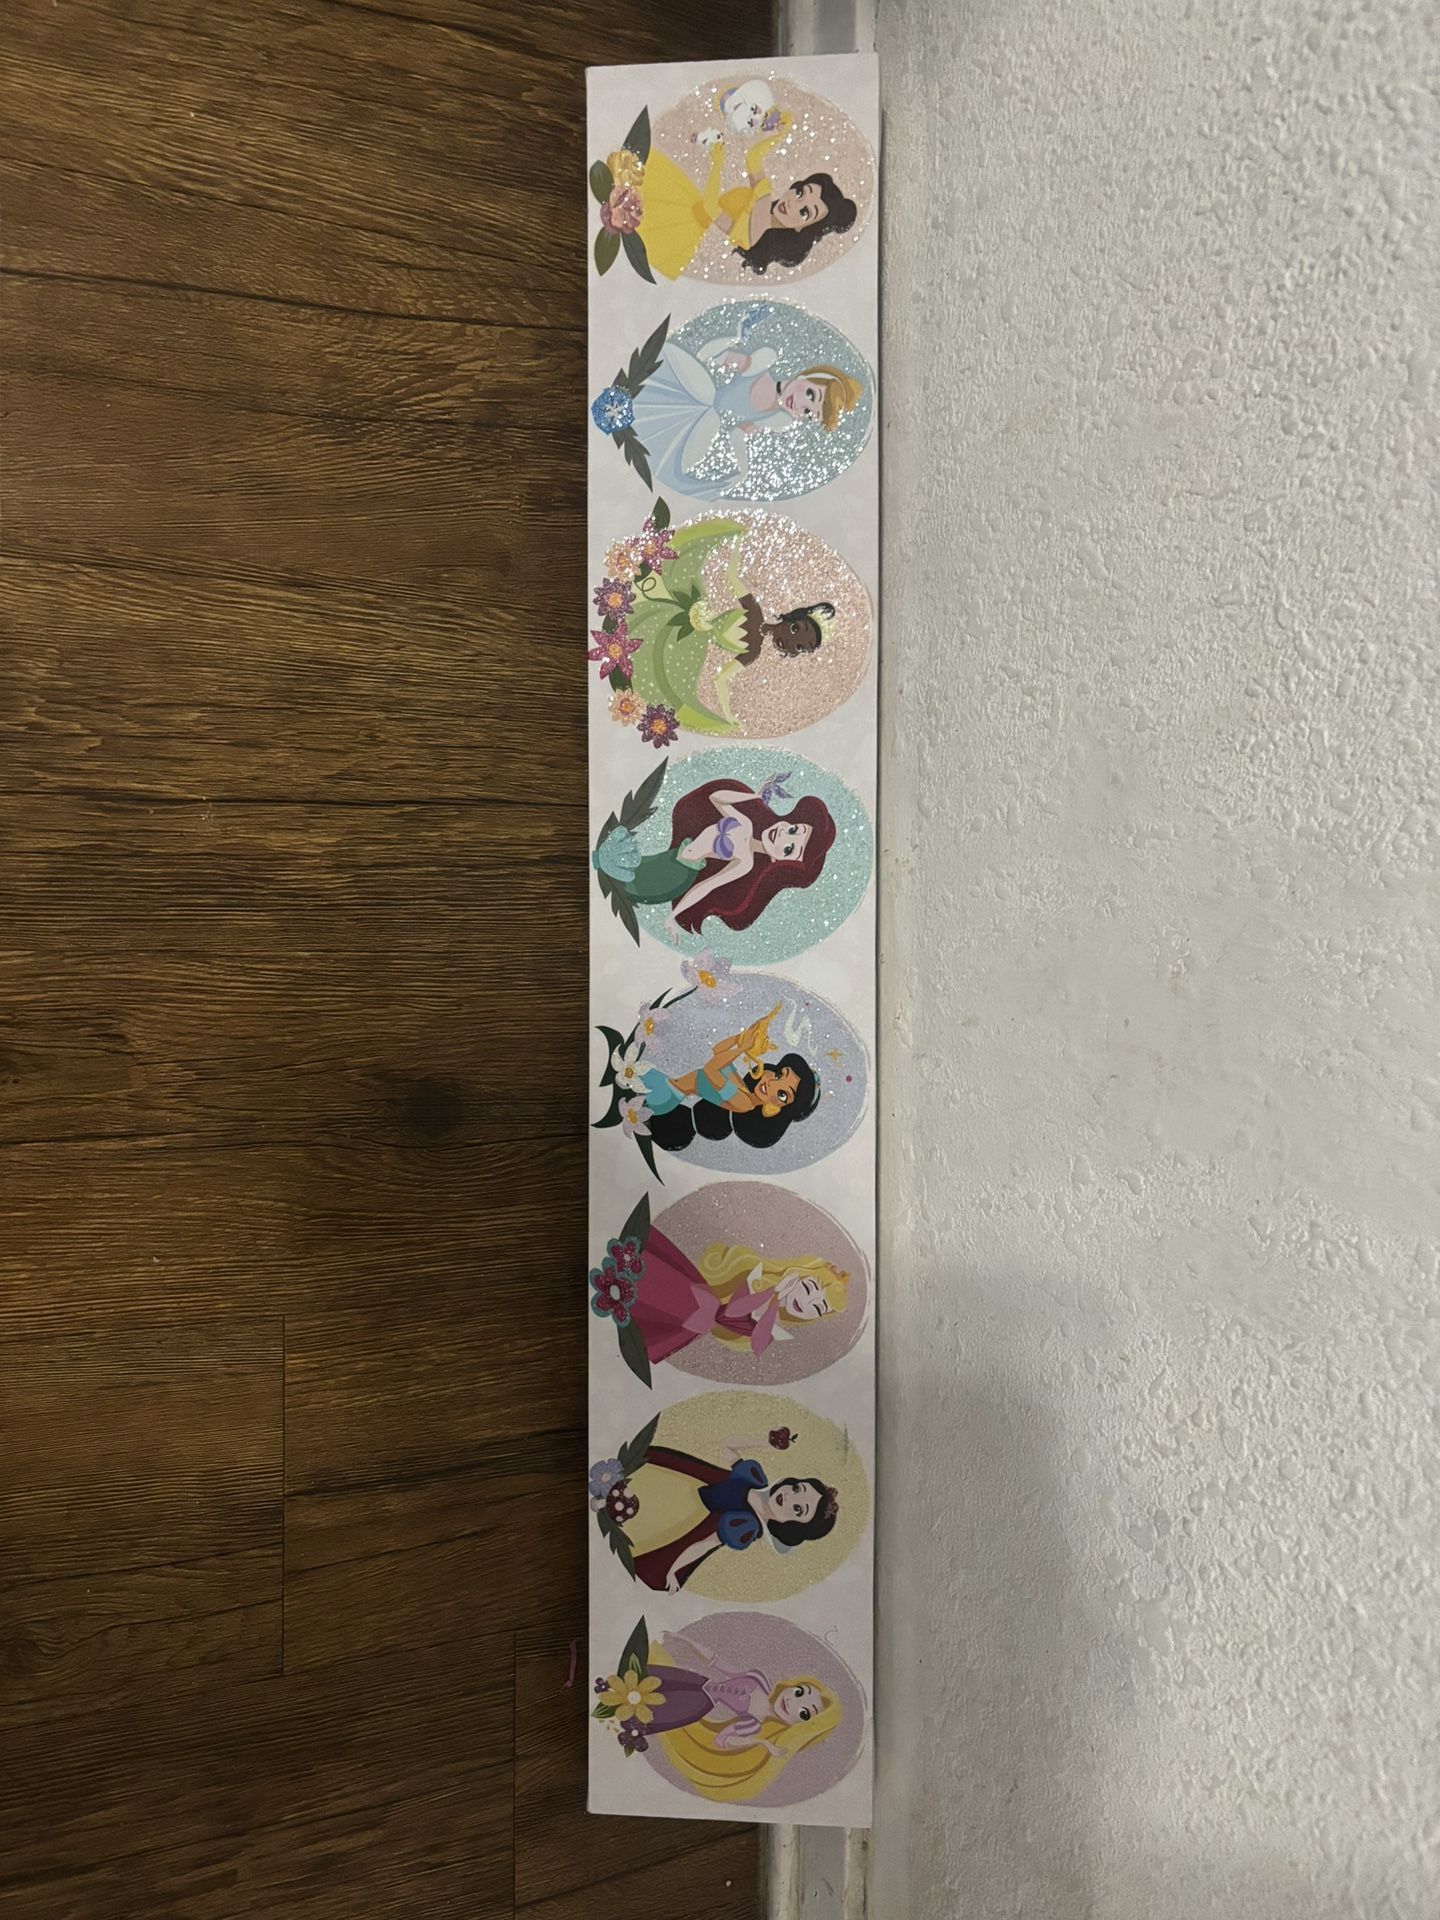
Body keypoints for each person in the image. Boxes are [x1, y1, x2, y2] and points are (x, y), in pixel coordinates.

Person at [592, 777, 836, 937]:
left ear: (778, 862)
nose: (783, 836)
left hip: (678, 875)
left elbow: (706, 886)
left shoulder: (745, 863)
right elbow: (716, 798)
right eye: (793, 829)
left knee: (630, 882)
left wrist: (672, 917)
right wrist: (754, 796)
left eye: (789, 850)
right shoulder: (744, 823)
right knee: (618, 865)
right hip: (671, 857)